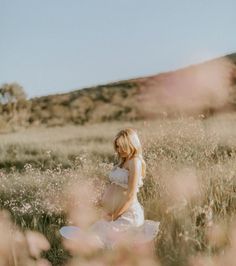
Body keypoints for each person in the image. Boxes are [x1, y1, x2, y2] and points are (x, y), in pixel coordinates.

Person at [60, 128, 160, 250]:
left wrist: (114, 216)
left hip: (127, 213)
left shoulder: (135, 161)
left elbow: (130, 195)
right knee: (93, 236)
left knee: (100, 239)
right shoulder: (124, 161)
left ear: (131, 144)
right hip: (116, 212)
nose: (119, 150)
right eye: (117, 146)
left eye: (122, 146)